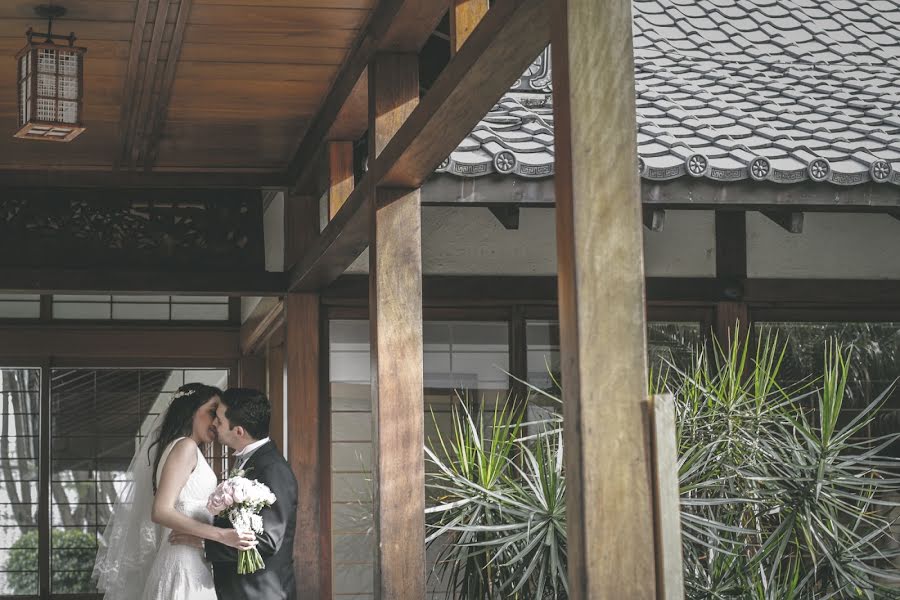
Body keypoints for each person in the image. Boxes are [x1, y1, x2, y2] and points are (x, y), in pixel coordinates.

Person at [93, 383, 257, 600]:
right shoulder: (185, 447)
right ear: (191, 410)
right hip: (182, 564)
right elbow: (161, 511)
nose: (217, 422)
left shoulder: (183, 448)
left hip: (192, 563)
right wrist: (222, 536)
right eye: (211, 412)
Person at [171, 387, 298, 600]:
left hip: (259, 592)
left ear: (238, 431)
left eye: (219, 421)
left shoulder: (273, 469)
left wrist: (204, 542)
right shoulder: (248, 461)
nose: (213, 424)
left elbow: (266, 541)